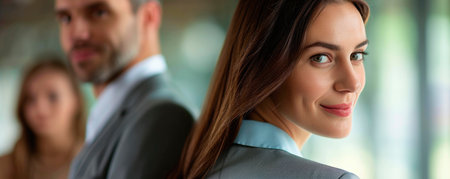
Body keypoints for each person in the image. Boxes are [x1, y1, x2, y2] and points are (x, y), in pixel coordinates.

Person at [174, 0, 370, 178]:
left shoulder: (203, 166)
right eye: (320, 58)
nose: (353, 83)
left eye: (357, 55)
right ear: (262, 63)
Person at [54, 0, 194, 178]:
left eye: (99, 13)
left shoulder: (162, 116)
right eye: (66, 18)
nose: (78, 34)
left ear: (148, 17)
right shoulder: (117, 111)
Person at [0, 58, 86, 179]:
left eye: (53, 97)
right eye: (30, 99)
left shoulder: (95, 160)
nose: (40, 109)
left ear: (76, 101)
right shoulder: (6, 165)